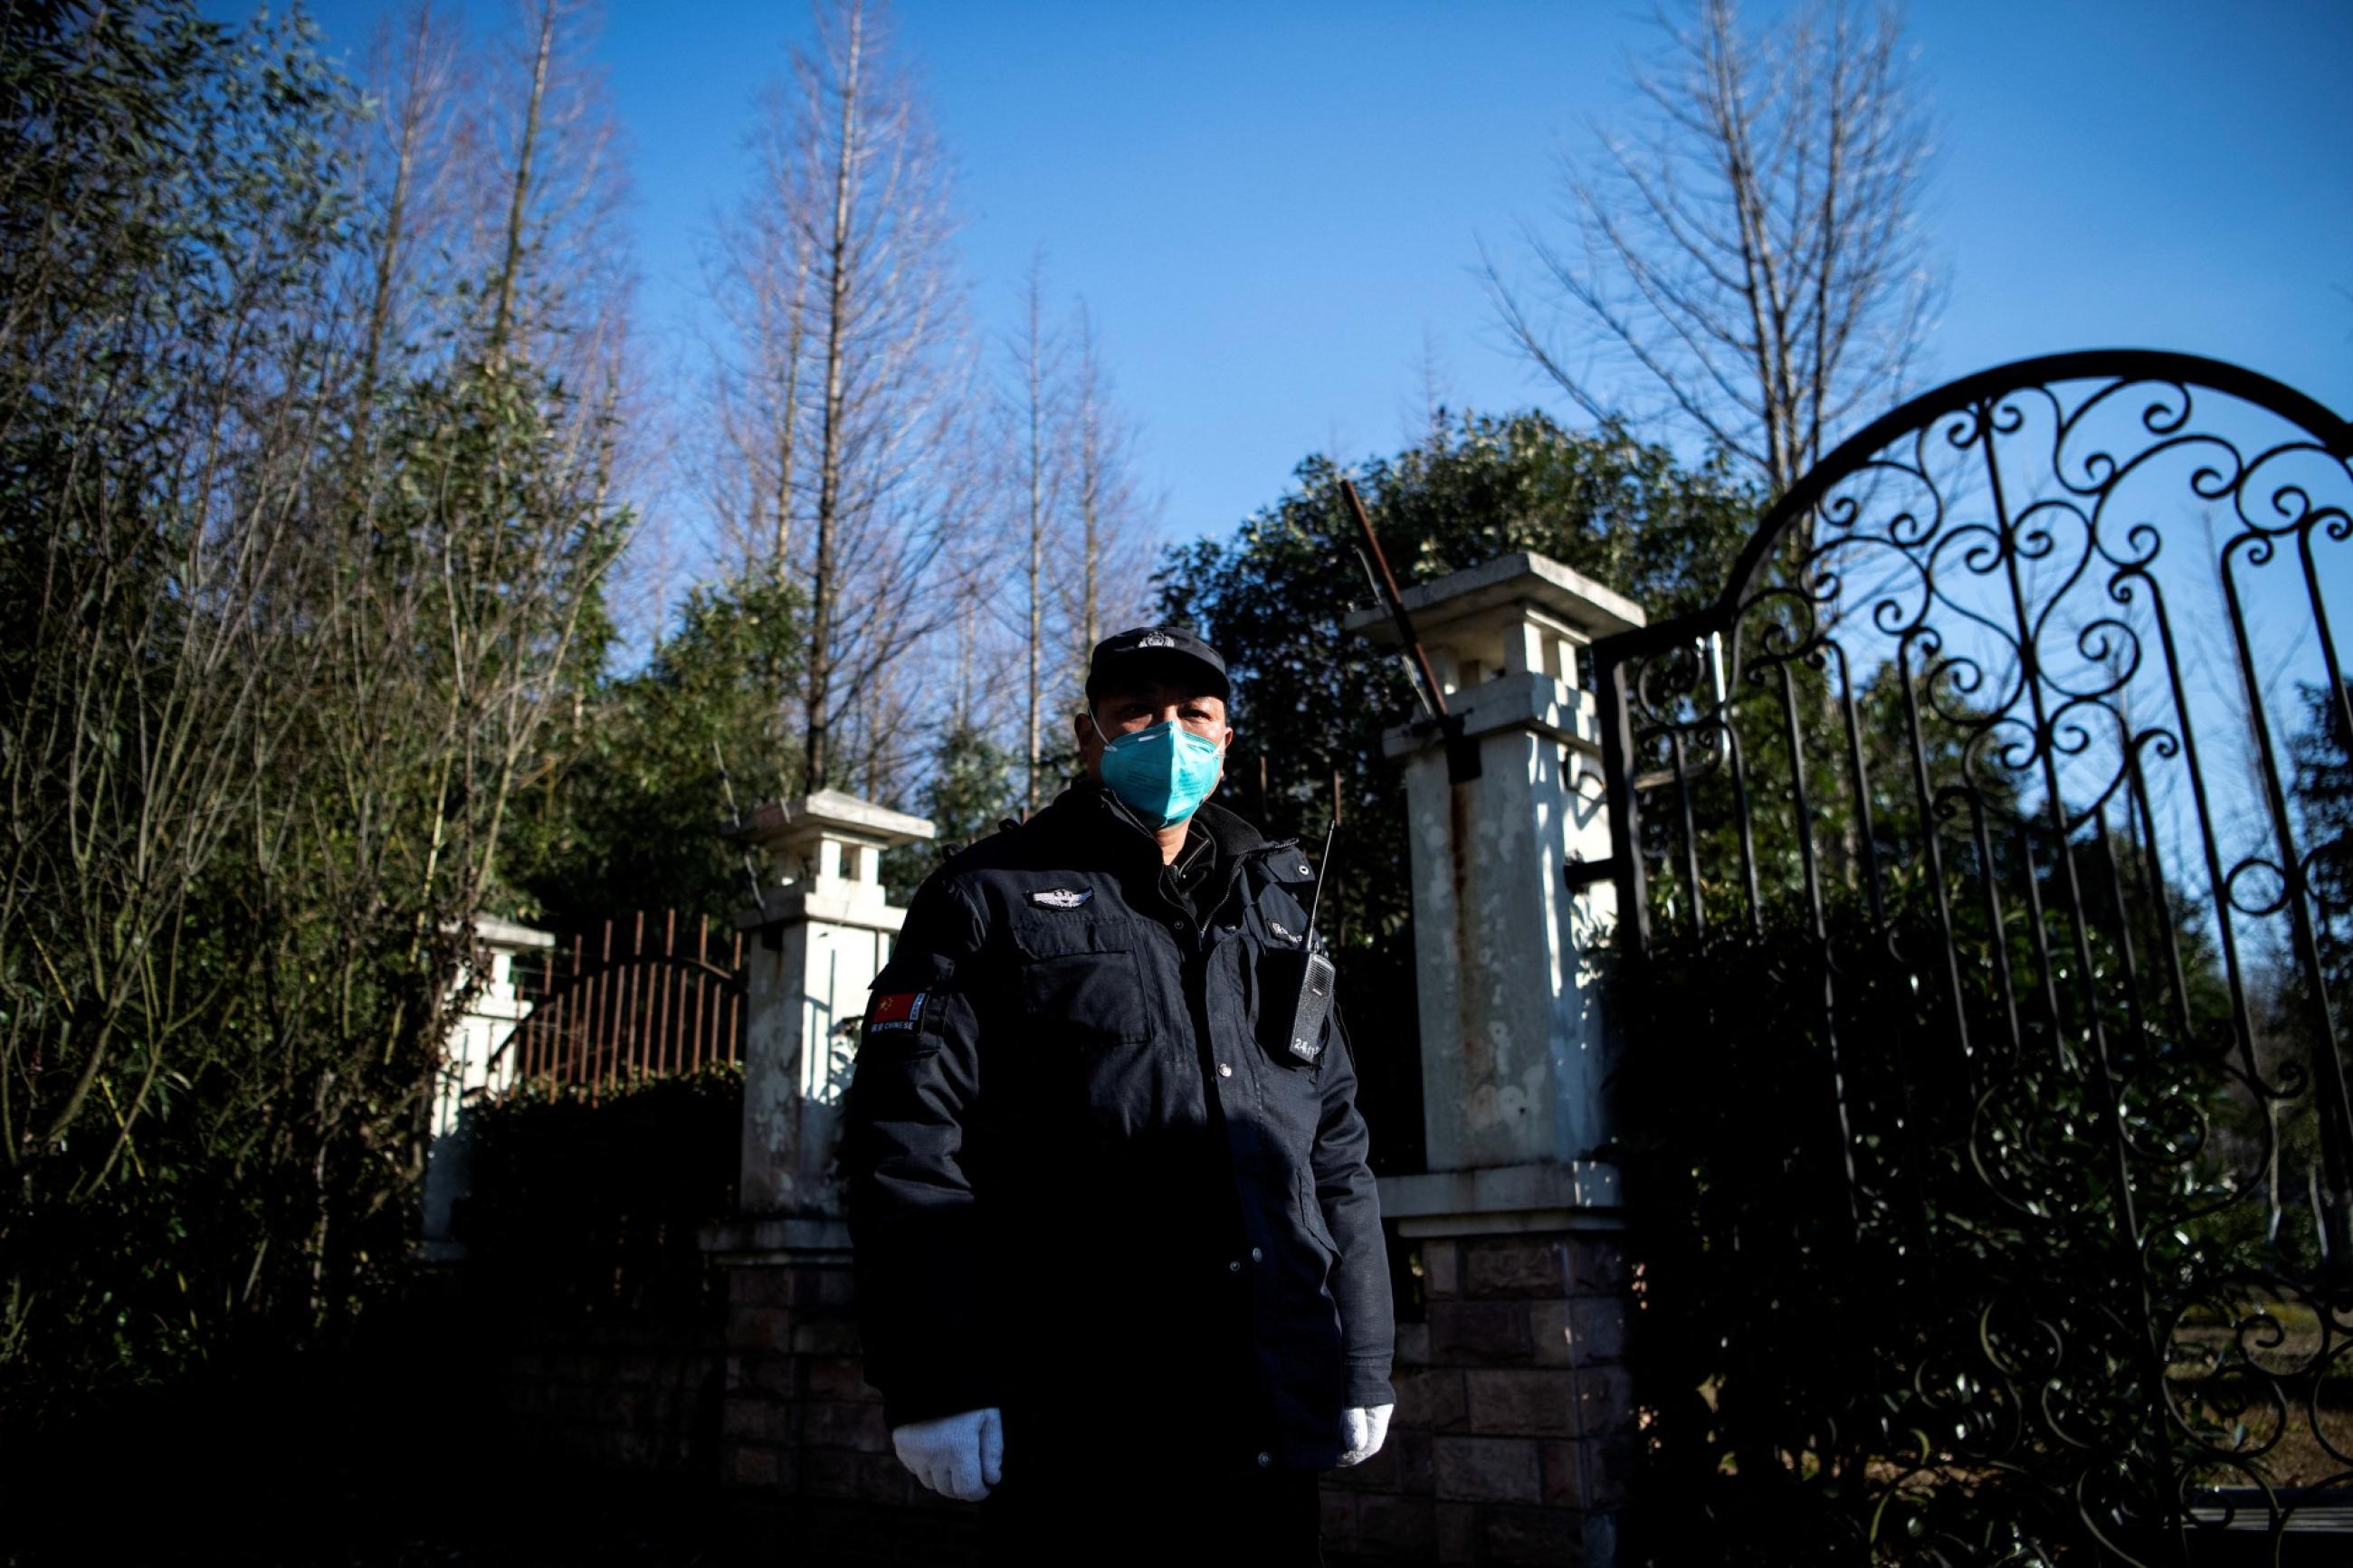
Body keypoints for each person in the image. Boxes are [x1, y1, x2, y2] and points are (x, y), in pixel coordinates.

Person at [840, 625, 1396, 1563]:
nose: (1166, 731)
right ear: (1088, 734)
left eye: (1193, 712)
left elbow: (1331, 1141)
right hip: (1081, 1419)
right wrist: (936, 1376)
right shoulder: (986, 895)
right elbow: (904, 1141)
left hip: (1265, 1410)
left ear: (1225, 740)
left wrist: (1364, 1351)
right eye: (1136, 710)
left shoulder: (1274, 906)